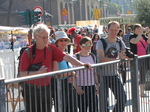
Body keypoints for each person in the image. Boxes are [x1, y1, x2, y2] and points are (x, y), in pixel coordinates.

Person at [20, 24, 91, 112]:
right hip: (31, 90)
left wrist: (82, 64)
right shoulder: (28, 52)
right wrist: (38, 72)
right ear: (35, 37)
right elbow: (22, 74)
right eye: (43, 37)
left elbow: (65, 57)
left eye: (47, 37)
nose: (46, 40)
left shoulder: (50, 48)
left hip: (46, 89)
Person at [96, 21, 127, 112]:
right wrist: (118, 59)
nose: (113, 32)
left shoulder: (119, 41)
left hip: (114, 74)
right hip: (102, 75)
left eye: (115, 30)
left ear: (118, 30)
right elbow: (101, 58)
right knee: (104, 102)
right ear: (107, 30)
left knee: (122, 98)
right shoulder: (101, 42)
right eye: (111, 30)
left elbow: (124, 53)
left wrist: (127, 56)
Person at [53, 31, 77, 112]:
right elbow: (55, 75)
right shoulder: (55, 56)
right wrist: (70, 73)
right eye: (61, 40)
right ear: (57, 42)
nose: (64, 42)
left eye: (65, 40)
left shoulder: (67, 54)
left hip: (69, 87)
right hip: (60, 88)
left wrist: (71, 75)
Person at [73, 36, 99, 112]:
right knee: (82, 109)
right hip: (81, 88)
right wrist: (76, 87)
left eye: (89, 45)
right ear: (80, 46)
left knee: (94, 109)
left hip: (91, 86)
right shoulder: (76, 57)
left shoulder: (92, 56)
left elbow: (95, 72)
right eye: (84, 45)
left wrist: (97, 85)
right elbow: (73, 74)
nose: (87, 47)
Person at [129, 24, 150, 97]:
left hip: (144, 58)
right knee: (135, 75)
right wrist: (140, 33)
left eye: (140, 28)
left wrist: (148, 33)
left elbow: (149, 42)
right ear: (134, 29)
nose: (139, 29)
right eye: (138, 28)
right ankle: (134, 92)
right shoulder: (132, 36)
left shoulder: (143, 37)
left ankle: (142, 92)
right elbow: (134, 41)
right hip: (136, 59)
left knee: (143, 75)